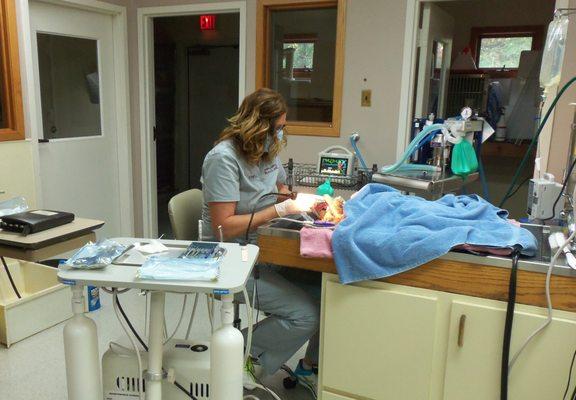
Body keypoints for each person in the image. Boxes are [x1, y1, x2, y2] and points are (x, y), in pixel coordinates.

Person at [200, 88, 320, 393]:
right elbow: (223, 227)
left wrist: (304, 201)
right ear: (258, 125)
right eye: (276, 128)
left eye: (281, 128)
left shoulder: (266, 152)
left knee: (326, 291)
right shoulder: (223, 160)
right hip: (227, 261)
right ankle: (239, 358)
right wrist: (279, 209)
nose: (279, 135)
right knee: (306, 314)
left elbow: (279, 188)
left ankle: (309, 367)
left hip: (263, 252)